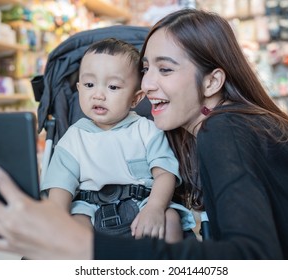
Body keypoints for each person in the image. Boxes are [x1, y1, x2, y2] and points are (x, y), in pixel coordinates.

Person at [0, 8, 288, 259]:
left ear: (213, 80)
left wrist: (79, 245)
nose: (148, 85)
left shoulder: (226, 128)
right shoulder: (226, 128)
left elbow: (248, 259)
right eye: (146, 68)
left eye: (165, 70)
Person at [39, 37, 195, 243]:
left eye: (112, 87)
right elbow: (60, 186)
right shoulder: (73, 138)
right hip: (89, 209)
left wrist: (155, 208)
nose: (98, 95)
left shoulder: (147, 130)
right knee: (73, 229)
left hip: (144, 202)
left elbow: (165, 174)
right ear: (78, 89)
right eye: (89, 84)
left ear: (135, 98)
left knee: (170, 219)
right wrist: (57, 220)